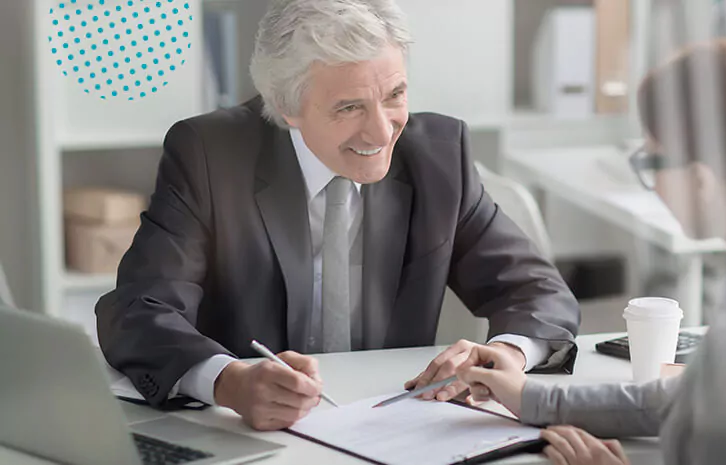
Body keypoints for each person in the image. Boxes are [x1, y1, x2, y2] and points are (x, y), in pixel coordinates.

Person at [95, 0, 580, 431]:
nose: (381, 129)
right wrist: (227, 381)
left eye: (394, 95)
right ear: (287, 107)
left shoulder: (438, 157)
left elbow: (538, 291)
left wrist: (507, 355)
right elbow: (139, 310)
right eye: (349, 107)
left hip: (392, 426)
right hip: (254, 435)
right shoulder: (209, 154)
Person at [457, 40, 726, 465]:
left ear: (702, 181)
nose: (650, 181)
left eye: (651, 163)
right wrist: (531, 397)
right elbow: (703, 398)